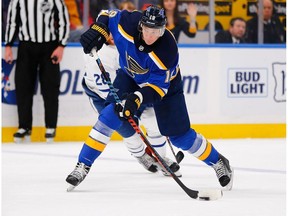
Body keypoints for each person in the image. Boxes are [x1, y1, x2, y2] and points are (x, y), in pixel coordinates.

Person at [66, 5, 234, 191]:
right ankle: (83, 165)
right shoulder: (127, 23)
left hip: (166, 88)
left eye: (157, 31)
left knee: (180, 137)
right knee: (109, 115)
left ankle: (218, 161)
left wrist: (136, 98)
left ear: (163, 30)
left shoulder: (167, 50)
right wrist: (98, 30)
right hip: (130, 76)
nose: (151, 36)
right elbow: (106, 15)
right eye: (148, 30)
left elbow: (156, 89)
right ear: (141, 26)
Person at [81, 33, 181, 177]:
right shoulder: (98, 53)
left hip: (132, 91)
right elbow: (106, 92)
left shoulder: (131, 42)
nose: (113, 34)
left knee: (154, 119)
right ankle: (141, 155)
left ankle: (160, 157)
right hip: (103, 97)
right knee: (129, 131)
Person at [4, 0, 70, 143]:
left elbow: (64, 20)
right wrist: (8, 45)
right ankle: (24, 126)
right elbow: (12, 23)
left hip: (50, 46)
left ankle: (51, 127)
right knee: (23, 86)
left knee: (50, 87)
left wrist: (61, 45)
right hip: (26, 47)